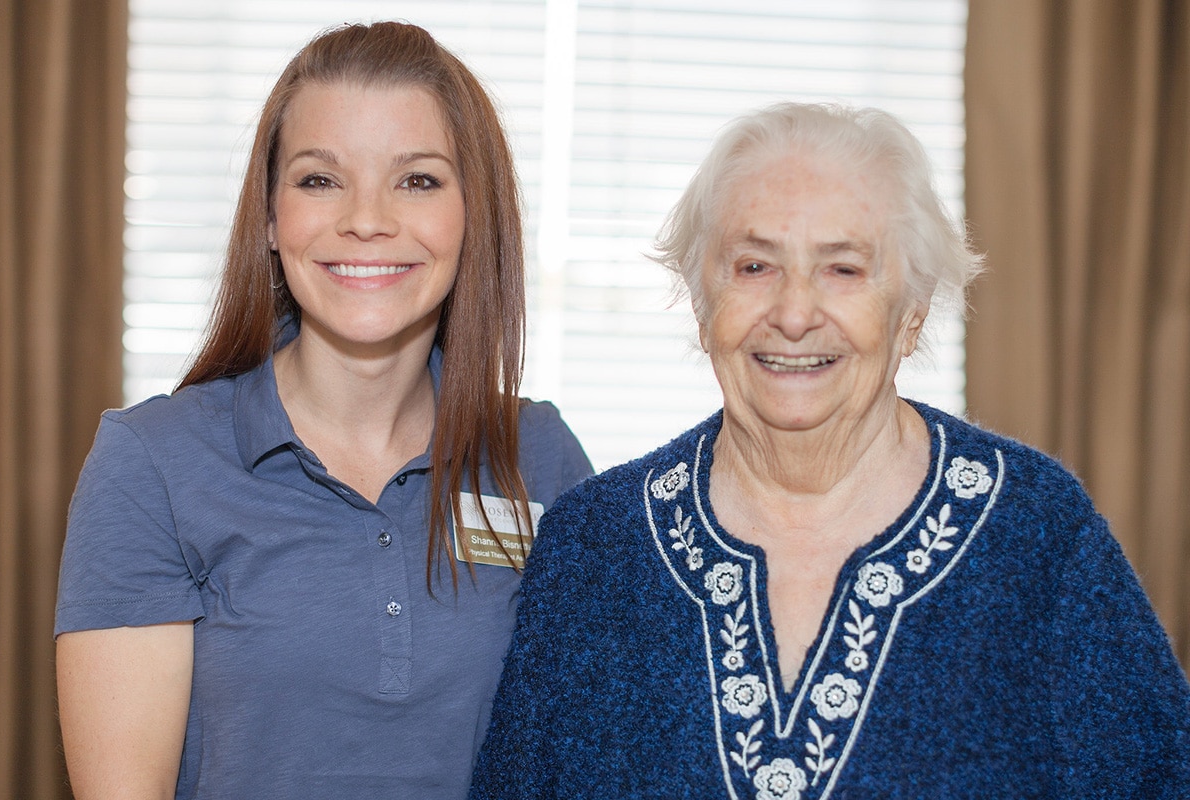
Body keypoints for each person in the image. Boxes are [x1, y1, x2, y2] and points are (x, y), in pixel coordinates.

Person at [468, 102, 1190, 798]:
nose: (793, 313)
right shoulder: (595, 546)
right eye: (754, 267)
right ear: (701, 304)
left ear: (910, 316)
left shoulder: (1035, 530)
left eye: (843, 269)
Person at [54, 21, 591, 800]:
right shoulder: (151, 465)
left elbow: (592, 748)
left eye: (418, 180)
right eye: (319, 179)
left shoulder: (540, 454)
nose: (366, 219)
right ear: (270, 218)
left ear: (473, 217)